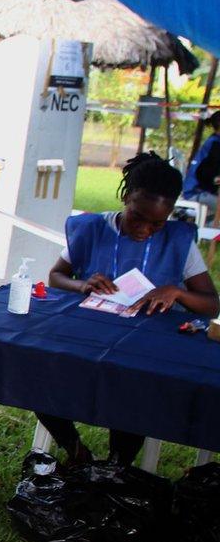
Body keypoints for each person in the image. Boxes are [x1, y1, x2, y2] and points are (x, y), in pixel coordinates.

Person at [42, 151, 219, 466]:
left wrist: (176, 292)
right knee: (42, 374)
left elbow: (210, 303)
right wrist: (81, 285)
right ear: (126, 197)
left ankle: (117, 466)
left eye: (157, 223)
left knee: (134, 394)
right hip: (84, 336)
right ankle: (76, 451)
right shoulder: (91, 229)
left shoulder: (179, 241)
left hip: (145, 346)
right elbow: (56, 277)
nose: (145, 229)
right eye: (138, 216)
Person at [183, 111, 220, 221]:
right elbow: (208, 176)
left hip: (199, 190)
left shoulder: (214, 141)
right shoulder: (215, 145)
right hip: (197, 192)